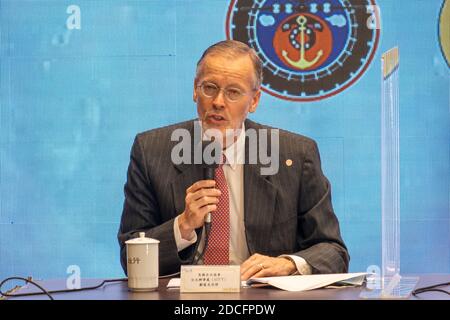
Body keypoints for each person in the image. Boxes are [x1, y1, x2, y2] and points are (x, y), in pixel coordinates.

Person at [118, 40, 349, 280]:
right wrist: (182, 226)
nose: (218, 101)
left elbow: (334, 252)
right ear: (195, 90)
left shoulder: (295, 156)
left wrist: (288, 264)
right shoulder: (152, 151)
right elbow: (129, 256)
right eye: (209, 88)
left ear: (254, 100)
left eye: (233, 92)